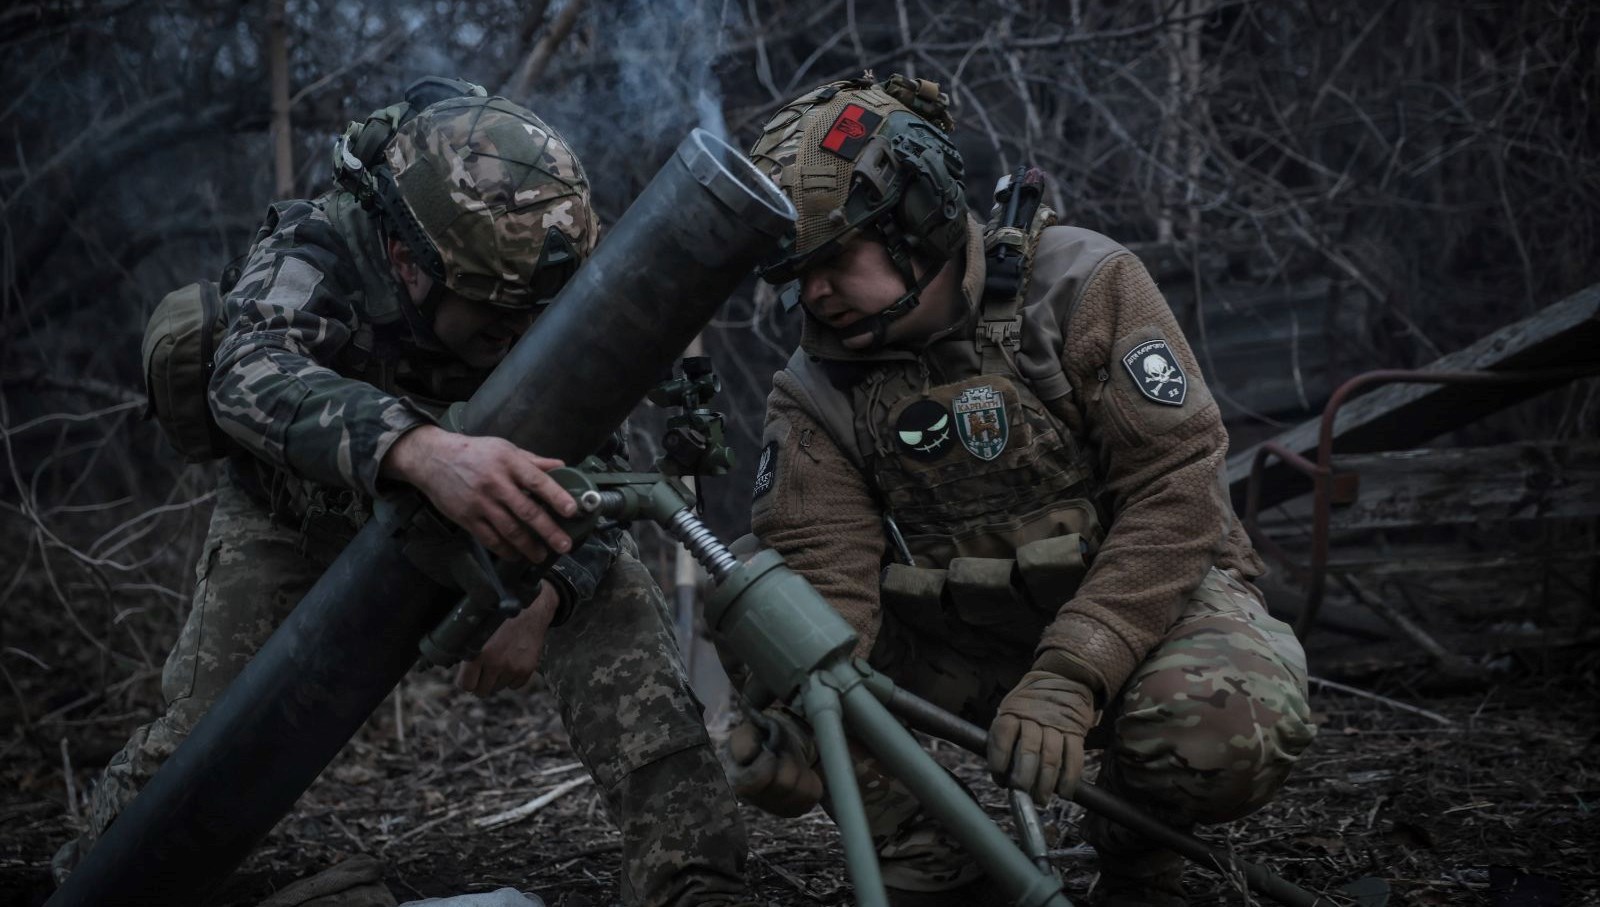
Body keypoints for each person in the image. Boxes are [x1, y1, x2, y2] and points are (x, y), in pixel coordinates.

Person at [53, 79, 753, 907]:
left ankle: (693, 879)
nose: (520, 334)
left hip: (500, 511)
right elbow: (246, 374)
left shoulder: (538, 269)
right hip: (302, 518)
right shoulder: (321, 246)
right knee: (208, 743)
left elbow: (600, 453)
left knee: (631, 653)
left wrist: (552, 589)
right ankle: (94, 883)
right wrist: (420, 450)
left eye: (538, 313)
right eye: (495, 317)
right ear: (406, 261)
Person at [726, 73, 1316, 906]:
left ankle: (1138, 856)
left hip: (1142, 619)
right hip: (955, 651)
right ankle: (942, 859)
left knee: (1225, 719)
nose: (812, 293)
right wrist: (806, 727)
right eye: (795, 273)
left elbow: (1177, 495)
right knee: (760, 598)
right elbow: (826, 586)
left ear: (917, 220)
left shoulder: (1079, 286)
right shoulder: (814, 388)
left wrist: (1074, 672)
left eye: (833, 259)